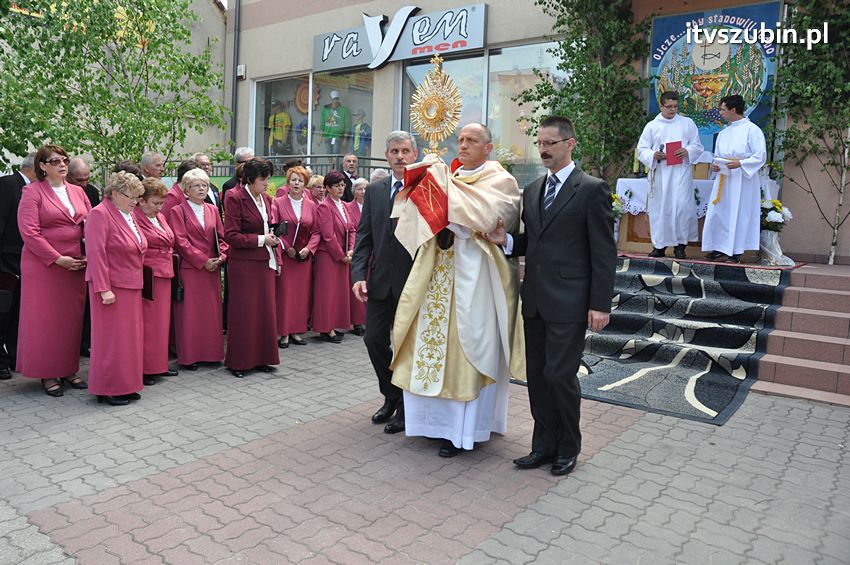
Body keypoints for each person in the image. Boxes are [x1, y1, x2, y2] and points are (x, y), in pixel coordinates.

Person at [487, 115, 617, 477]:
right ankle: (541, 446)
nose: (543, 149)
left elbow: (603, 252)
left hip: (571, 302)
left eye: (550, 143)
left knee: (560, 375)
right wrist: (508, 241)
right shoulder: (532, 190)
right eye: (540, 143)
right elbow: (535, 243)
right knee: (539, 377)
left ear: (570, 144)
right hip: (537, 301)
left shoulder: (592, 189)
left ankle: (567, 447)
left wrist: (600, 304)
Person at [389, 123, 524, 457]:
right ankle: (430, 425)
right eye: (461, 140)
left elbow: (492, 218)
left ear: (488, 148)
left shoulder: (501, 181)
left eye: (471, 141)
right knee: (427, 346)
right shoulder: (451, 178)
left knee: (467, 348)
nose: (463, 146)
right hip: (437, 275)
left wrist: (448, 206)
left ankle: (460, 433)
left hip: (474, 279)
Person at [351, 131, 417, 433]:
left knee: (407, 348)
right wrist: (358, 276)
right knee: (374, 339)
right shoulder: (376, 191)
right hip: (379, 282)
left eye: (405, 151)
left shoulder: (425, 188)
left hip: (413, 284)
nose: (400, 157)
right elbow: (364, 237)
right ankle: (390, 396)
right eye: (394, 151)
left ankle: (406, 408)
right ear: (386, 155)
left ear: (414, 154)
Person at [17, 145, 91, 396]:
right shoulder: (32, 192)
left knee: (71, 320)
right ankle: (48, 373)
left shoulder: (78, 192)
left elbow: (89, 224)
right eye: (56, 160)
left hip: (76, 265)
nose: (62, 164)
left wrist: (88, 254)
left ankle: (69, 369)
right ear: (42, 166)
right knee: (47, 321)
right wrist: (58, 259)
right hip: (44, 266)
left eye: (65, 159)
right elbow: (29, 233)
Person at [85, 172, 148, 406]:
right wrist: (103, 288)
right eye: (129, 196)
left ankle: (126, 384)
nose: (134, 201)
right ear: (113, 193)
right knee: (111, 340)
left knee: (129, 340)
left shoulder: (128, 214)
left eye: (137, 197)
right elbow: (95, 253)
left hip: (131, 285)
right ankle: (108, 387)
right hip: (111, 287)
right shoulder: (99, 214)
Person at [223, 158, 280, 378]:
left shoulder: (265, 199)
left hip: (264, 262)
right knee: (244, 314)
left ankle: (262, 357)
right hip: (244, 264)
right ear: (250, 179)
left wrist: (271, 238)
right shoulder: (234, 197)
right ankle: (240, 361)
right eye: (263, 179)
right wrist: (261, 240)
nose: (267, 183)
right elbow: (231, 235)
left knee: (264, 312)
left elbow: (265, 227)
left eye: (268, 178)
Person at [168, 168, 228, 370]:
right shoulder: (178, 211)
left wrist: (222, 256)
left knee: (211, 313)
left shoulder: (212, 209)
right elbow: (180, 242)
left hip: (212, 268)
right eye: (197, 185)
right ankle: (190, 357)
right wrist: (203, 261)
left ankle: (211, 354)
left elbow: (222, 236)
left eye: (205, 184)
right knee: (191, 314)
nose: (202, 188)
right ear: (186, 189)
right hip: (192, 269)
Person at [636, 91, 704, 259]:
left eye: (675, 106)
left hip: (681, 172)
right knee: (660, 210)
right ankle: (659, 246)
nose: (673, 110)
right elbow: (642, 149)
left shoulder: (687, 123)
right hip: (660, 174)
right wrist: (653, 155)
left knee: (682, 208)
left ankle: (680, 247)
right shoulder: (652, 126)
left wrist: (687, 150)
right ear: (661, 106)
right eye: (669, 107)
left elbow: (698, 146)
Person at [702, 94, 767, 264]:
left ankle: (736, 251)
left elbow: (760, 156)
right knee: (720, 213)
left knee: (739, 214)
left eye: (723, 109)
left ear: (733, 110)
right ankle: (719, 247)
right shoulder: (724, 132)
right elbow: (717, 156)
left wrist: (740, 163)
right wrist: (715, 166)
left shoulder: (752, 130)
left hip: (742, 180)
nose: (720, 113)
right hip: (724, 179)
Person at [133, 178, 178, 385]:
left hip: (165, 272)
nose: (160, 208)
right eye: (155, 203)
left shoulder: (158, 217)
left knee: (161, 323)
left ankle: (159, 364)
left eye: (161, 203)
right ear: (141, 201)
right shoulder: (134, 217)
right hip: (149, 275)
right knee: (149, 324)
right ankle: (145, 367)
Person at [271, 166, 319, 349]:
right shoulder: (278, 202)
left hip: (303, 258)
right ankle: (283, 333)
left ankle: (297, 331)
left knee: (301, 295)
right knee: (285, 295)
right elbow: (275, 230)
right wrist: (287, 247)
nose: (296, 183)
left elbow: (316, 231)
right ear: (288, 183)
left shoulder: (311, 205)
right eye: (293, 180)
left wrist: (309, 249)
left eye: (300, 180)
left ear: (305, 184)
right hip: (286, 256)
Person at [0, 152, 35, 380]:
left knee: (18, 314)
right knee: (3, 313)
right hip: (6, 260)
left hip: (26, 261)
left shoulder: (36, 190)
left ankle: (13, 357)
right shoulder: (7, 184)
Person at [313, 171, 356, 343]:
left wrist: (351, 250)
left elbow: (352, 229)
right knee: (327, 293)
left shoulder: (344, 205)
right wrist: (341, 255)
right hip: (329, 256)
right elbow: (328, 235)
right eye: (337, 185)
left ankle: (334, 324)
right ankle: (326, 328)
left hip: (344, 255)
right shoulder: (324, 207)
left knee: (338, 292)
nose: (341, 188)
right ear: (328, 188)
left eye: (343, 185)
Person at [67, 157, 101, 357]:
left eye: (87, 178)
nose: (84, 184)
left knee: (86, 303)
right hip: (67, 253)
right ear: (70, 177)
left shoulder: (91, 192)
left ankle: (85, 342)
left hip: (85, 252)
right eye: (80, 180)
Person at [347, 178, 368, 337]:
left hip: (372, 252)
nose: (363, 192)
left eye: (366, 189)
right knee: (357, 286)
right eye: (360, 189)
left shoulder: (372, 206)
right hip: (356, 252)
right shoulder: (348, 207)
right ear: (354, 191)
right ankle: (357, 322)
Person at [319, 90, 350, 154]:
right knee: (328, 153)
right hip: (327, 136)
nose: (335, 100)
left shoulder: (344, 110)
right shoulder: (325, 109)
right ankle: (331, 163)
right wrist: (320, 138)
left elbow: (347, 126)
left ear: (338, 99)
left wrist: (345, 139)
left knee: (335, 153)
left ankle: (334, 163)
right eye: (334, 99)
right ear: (331, 99)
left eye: (337, 99)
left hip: (337, 136)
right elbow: (322, 123)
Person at [193, 152, 223, 217]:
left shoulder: (214, 188)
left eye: (208, 164)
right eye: (203, 165)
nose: (206, 167)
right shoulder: (192, 188)